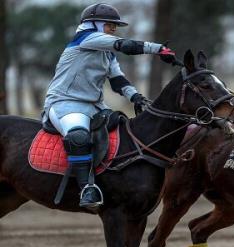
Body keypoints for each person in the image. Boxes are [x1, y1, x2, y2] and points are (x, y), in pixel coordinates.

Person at [43, 3, 177, 208]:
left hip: (95, 106)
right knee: (79, 137)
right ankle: (86, 189)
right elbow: (126, 45)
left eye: (115, 26)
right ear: (93, 24)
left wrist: (136, 98)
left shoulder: (107, 54)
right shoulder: (85, 39)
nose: (114, 28)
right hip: (65, 103)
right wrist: (158, 49)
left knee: (124, 129)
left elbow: (118, 82)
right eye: (109, 25)